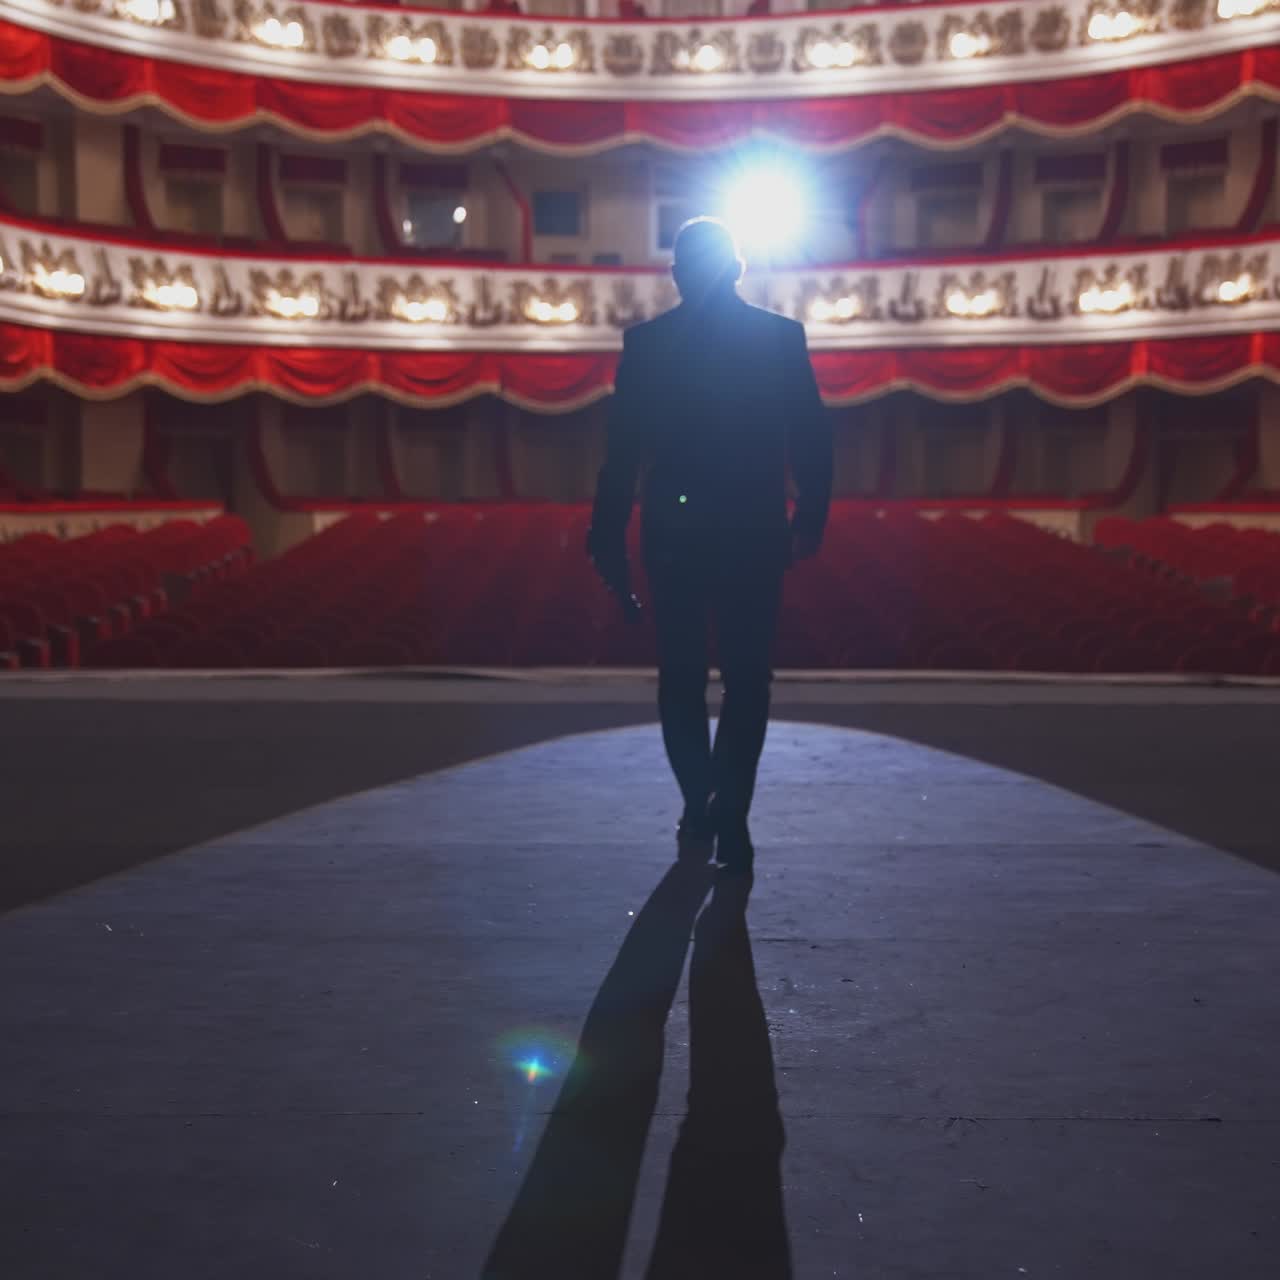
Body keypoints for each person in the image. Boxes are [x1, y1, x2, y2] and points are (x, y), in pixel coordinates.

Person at [587, 216, 832, 873]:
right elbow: (813, 437)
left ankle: (705, 803)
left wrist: (606, 533)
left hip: (678, 531)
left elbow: (622, 456)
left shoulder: (648, 344)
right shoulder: (778, 338)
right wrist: (810, 516)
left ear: (687, 274)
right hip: (750, 526)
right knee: (745, 679)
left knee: (684, 676)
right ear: (737, 268)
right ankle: (728, 813)